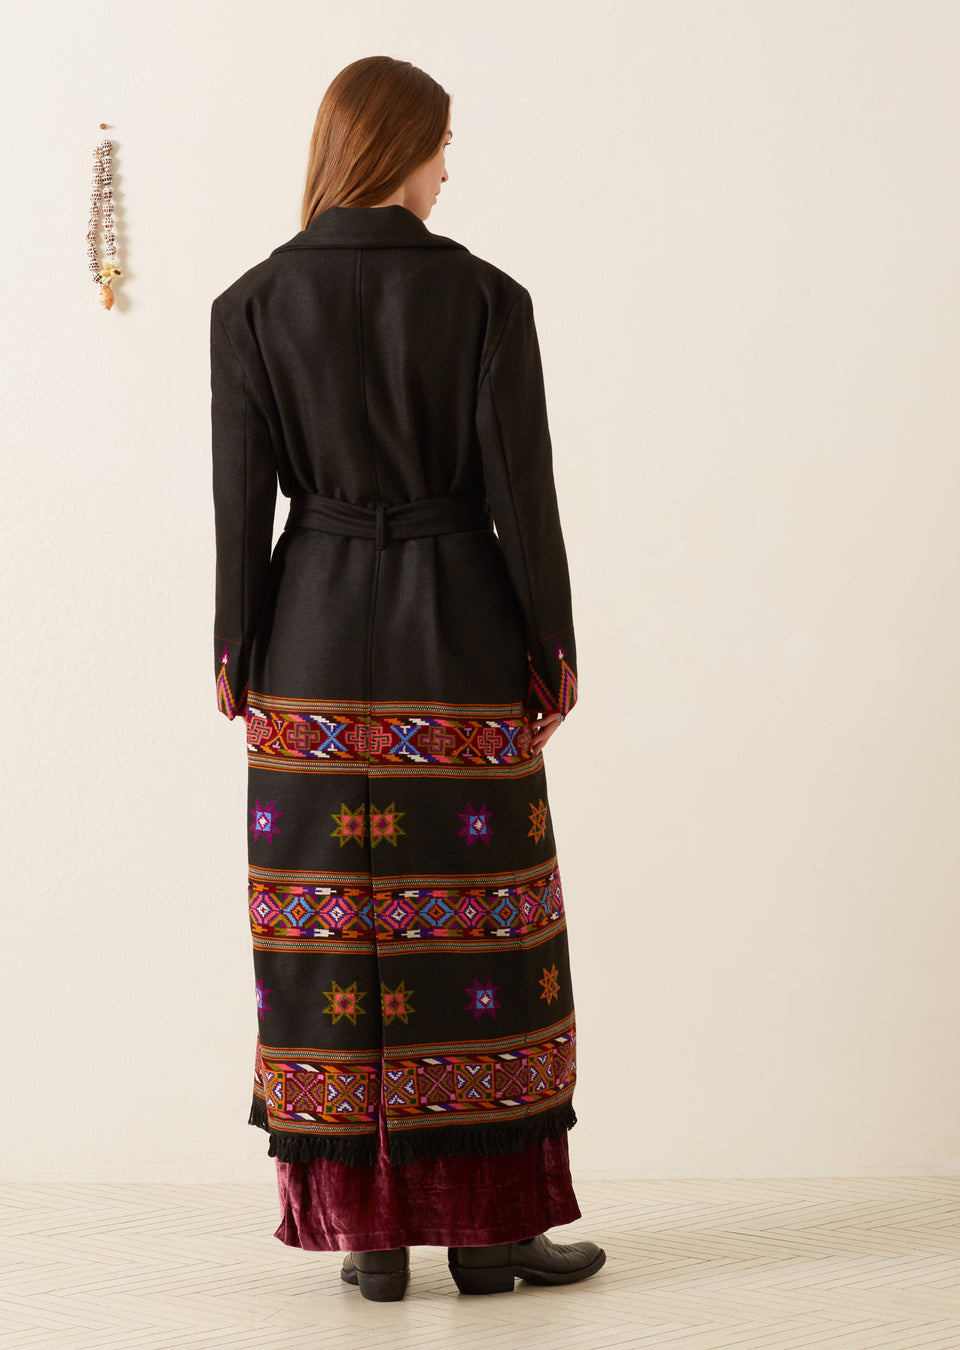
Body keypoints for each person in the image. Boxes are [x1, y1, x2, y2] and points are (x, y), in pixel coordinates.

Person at [210, 55, 605, 1301]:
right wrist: (553, 642)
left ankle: (368, 1237)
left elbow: (238, 507)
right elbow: (522, 499)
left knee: (330, 936)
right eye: (441, 146)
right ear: (398, 152)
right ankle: (489, 1230)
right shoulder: (489, 301)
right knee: (484, 924)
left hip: (314, 642)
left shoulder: (250, 305)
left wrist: (234, 647)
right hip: (462, 642)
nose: (451, 168)